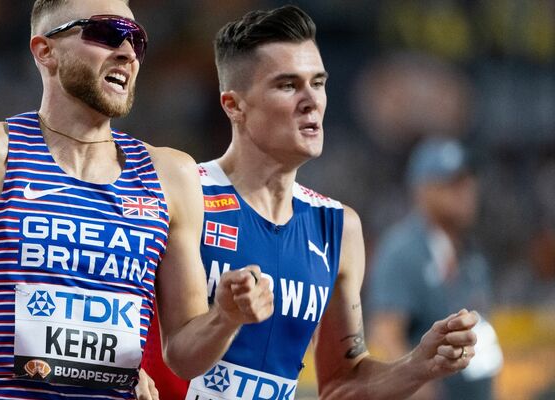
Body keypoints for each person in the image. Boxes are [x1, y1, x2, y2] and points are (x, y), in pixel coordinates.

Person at [0, 1, 274, 399]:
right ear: (46, 51)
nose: (128, 51)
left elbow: (184, 355)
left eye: (136, 38)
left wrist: (226, 317)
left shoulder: (170, 175)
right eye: (106, 33)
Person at [138, 5, 480, 400]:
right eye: (287, 85)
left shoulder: (337, 228)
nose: (311, 101)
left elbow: (341, 384)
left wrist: (418, 364)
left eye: (318, 83)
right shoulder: (183, 192)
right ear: (234, 105)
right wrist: (224, 317)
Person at [367, 137, 503, 399]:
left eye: (469, 181)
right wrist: (416, 386)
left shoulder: (472, 255)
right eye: (453, 183)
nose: (467, 191)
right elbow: (384, 333)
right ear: (423, 189)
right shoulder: (402, 250)